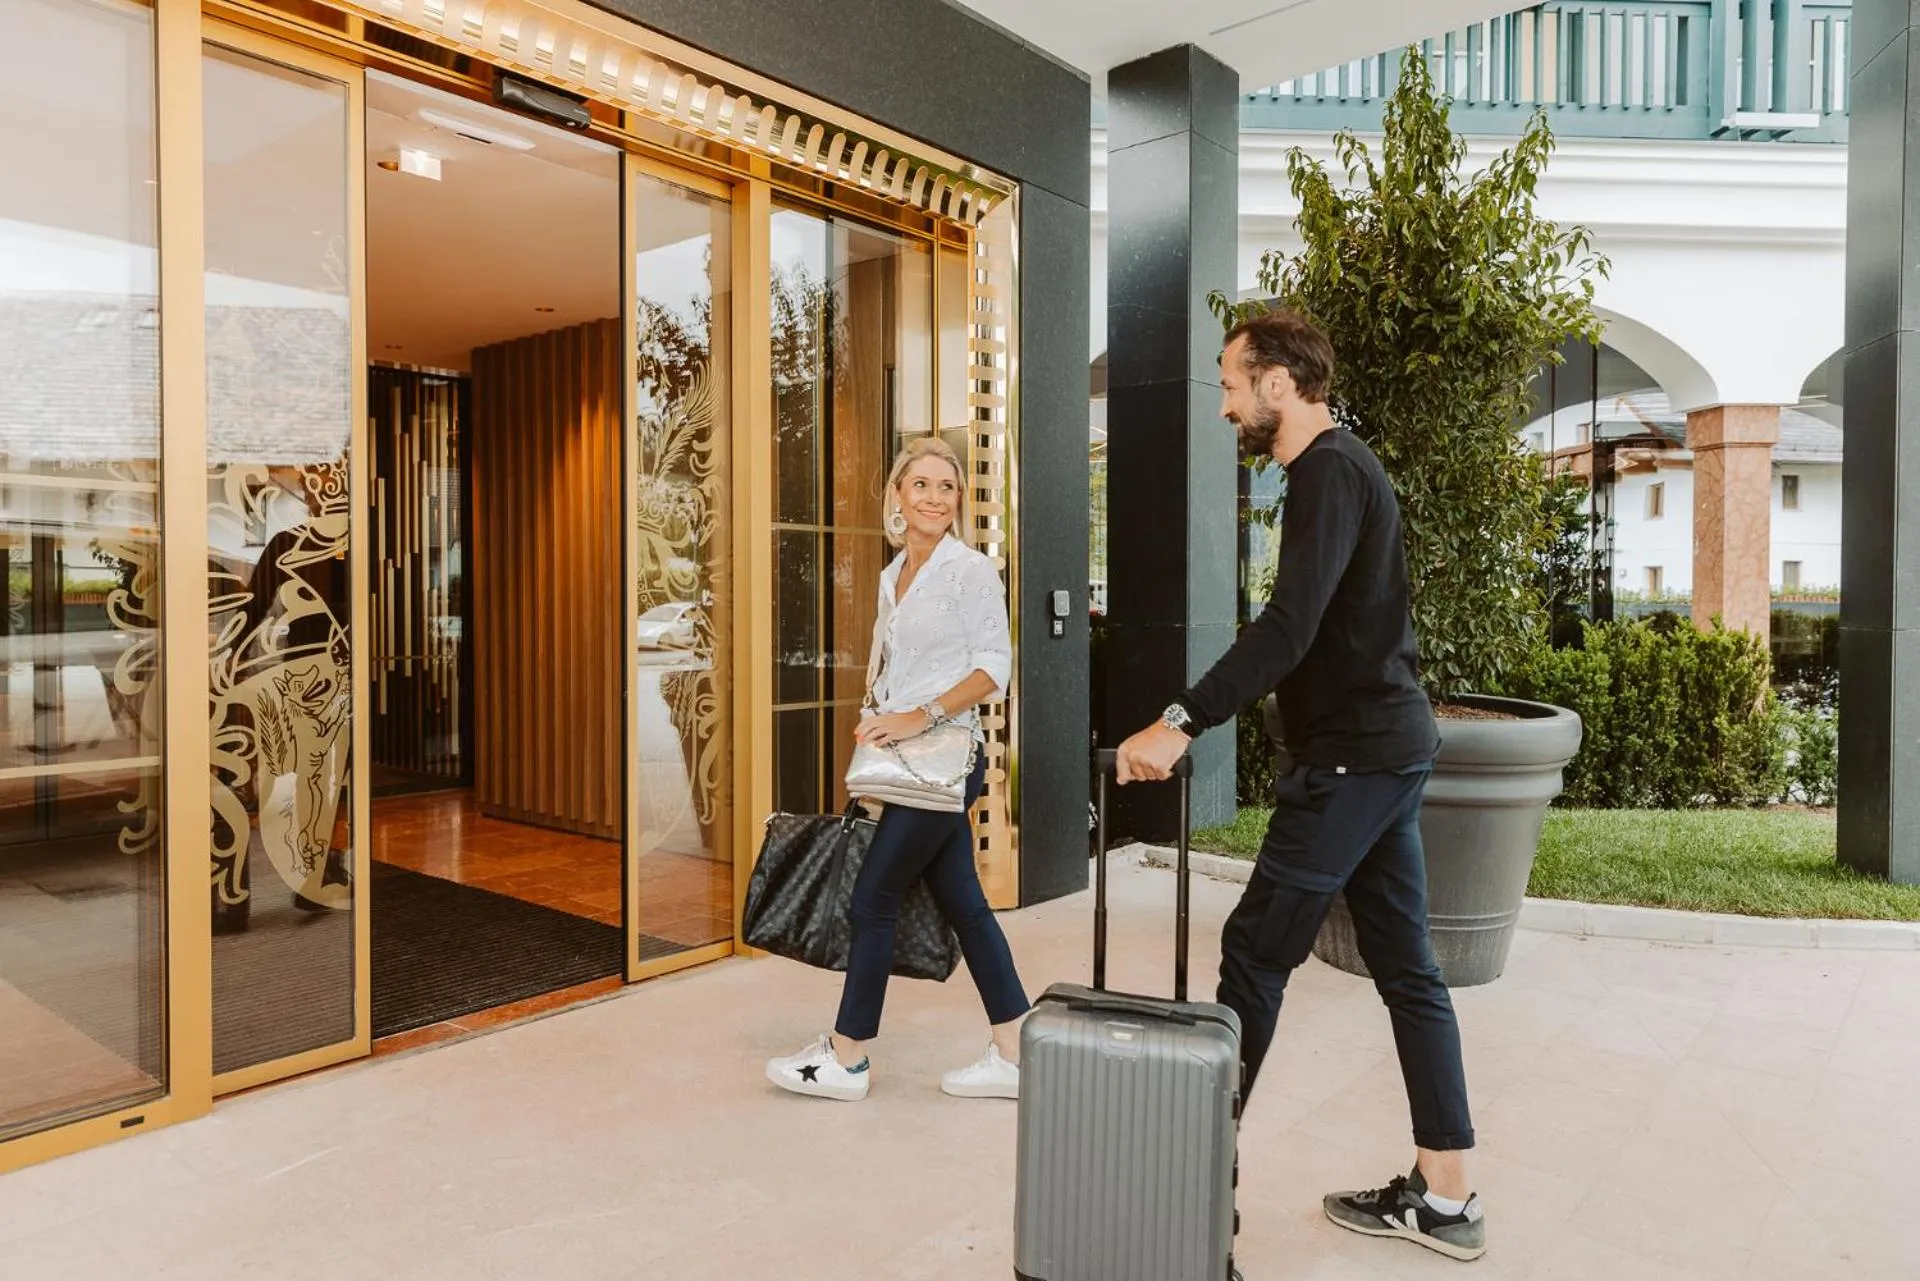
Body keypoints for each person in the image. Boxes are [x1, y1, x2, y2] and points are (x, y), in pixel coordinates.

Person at [1114, 311, 1485, 1263]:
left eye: (1234, 384)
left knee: (1254, 952)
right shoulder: (1343, 469)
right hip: (1389, 748)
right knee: (1409, 971)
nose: (1228, 403)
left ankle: (1193, 1192)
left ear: (1279, 383)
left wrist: (1179, 718)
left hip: (1355, 757)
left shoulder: (1326, 471)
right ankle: (1445, 1196)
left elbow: (1289, 628)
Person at [766, 436, 1031, 1103]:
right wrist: (880, 718)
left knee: (872, 898)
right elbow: (894, 668)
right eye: (922, 485)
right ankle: (1016, 1048)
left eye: (947, 487)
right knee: (965, 905)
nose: (935, 498)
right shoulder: (892, 575)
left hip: (945, 761)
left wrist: (921, 716)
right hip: (904, 762)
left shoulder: (970, 571)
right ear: (897, 494)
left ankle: (848, 1056)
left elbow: (993, 668)